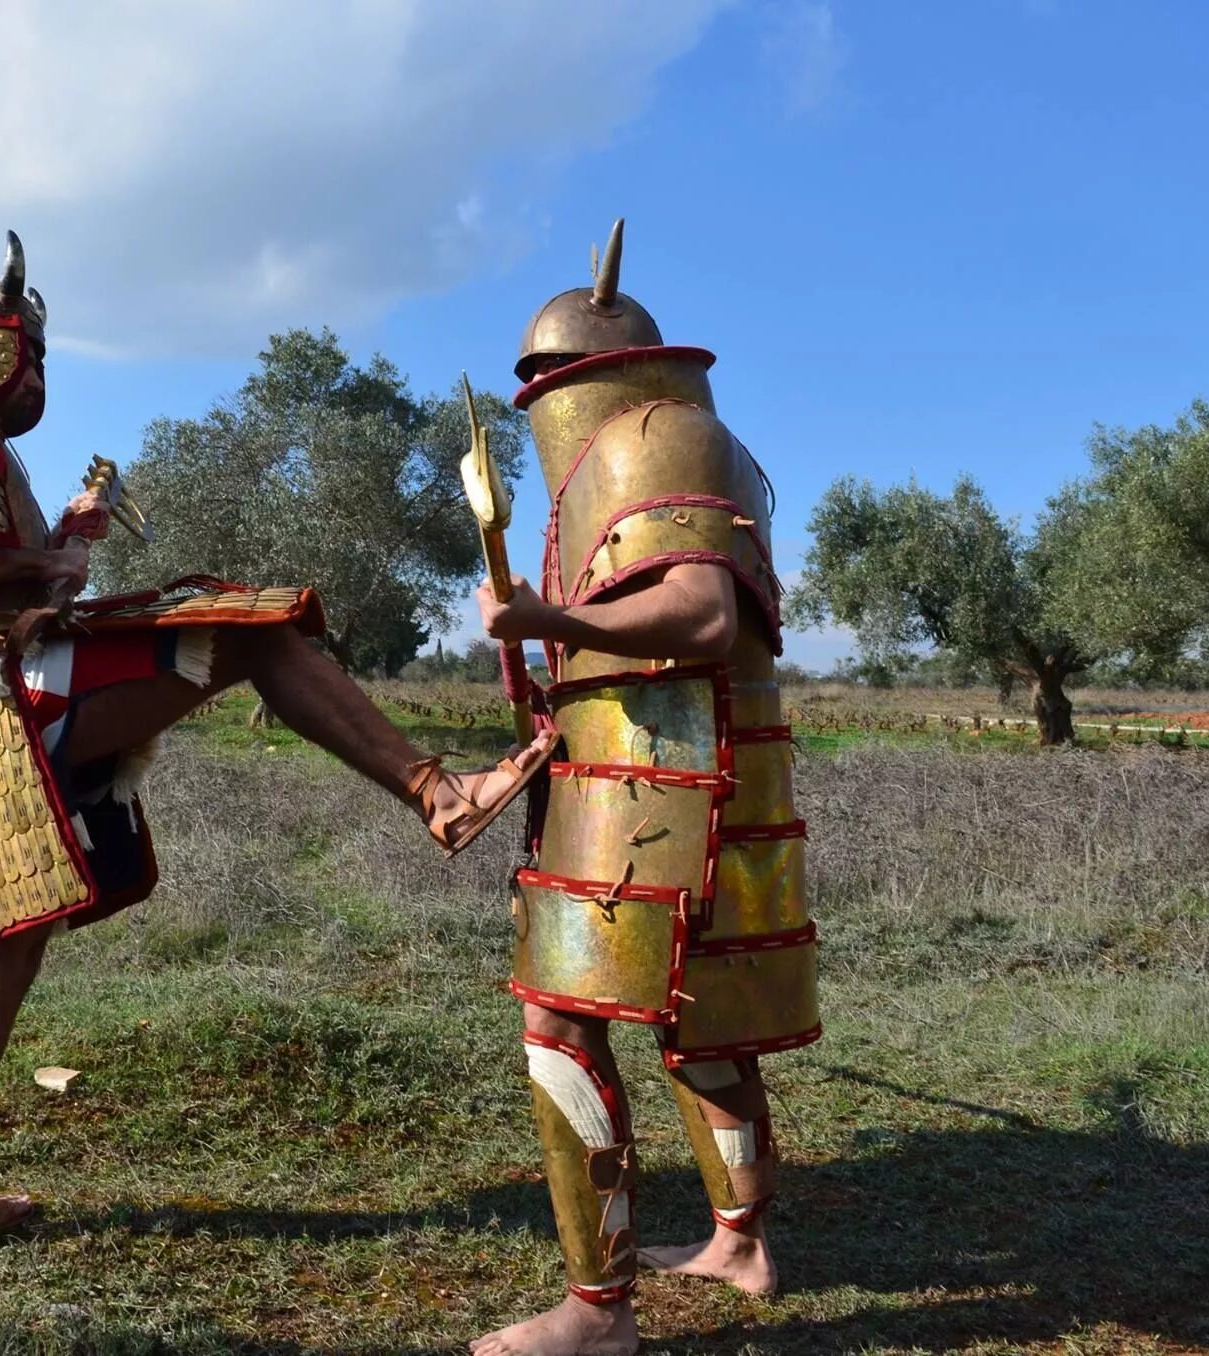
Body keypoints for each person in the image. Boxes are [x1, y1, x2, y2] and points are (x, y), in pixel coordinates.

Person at [0, 232, 555, 1255]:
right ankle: (435, 792)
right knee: (255, 630)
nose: (37, 370)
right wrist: (43, 562)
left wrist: (61, 544)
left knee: (1, 958)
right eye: (30, 348)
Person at [467, 221, 821, 1356]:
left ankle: (595, 1312)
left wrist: (542, 619)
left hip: (656, 782)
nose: (536, 397)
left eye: (543, 377)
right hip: (665, 771)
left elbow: (701, 617)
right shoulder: (677, 441)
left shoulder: (651, 435)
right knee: (696, 1019)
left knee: (559, 1015)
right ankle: (740, 1242)